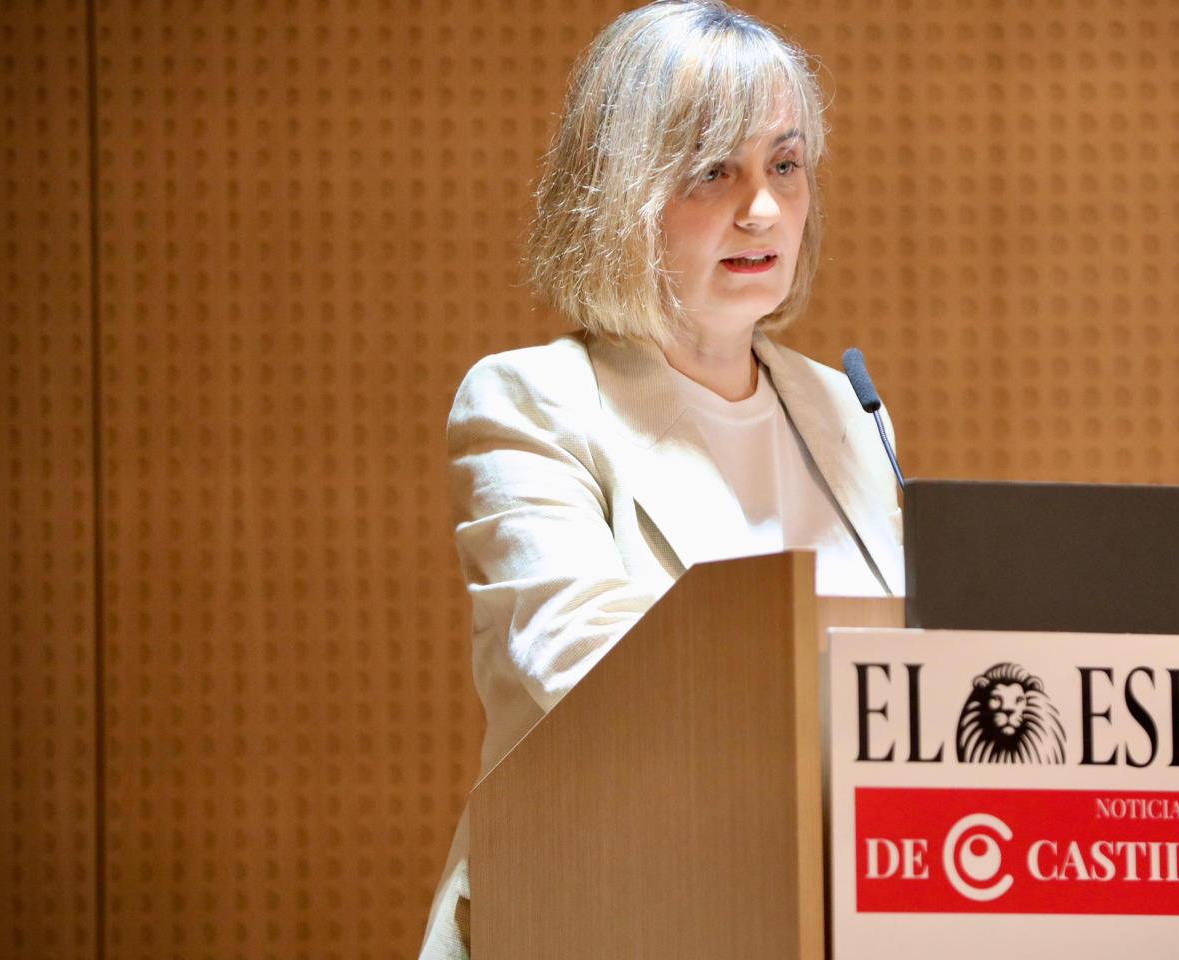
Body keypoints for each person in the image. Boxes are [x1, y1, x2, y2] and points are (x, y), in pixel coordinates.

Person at [418, 2, 902, 956]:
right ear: (621, 194)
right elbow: (588, 670)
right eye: (714, 169)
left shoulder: (846, 411)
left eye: (785, 165)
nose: (762, 208)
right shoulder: (536, 401)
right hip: (604, 911)